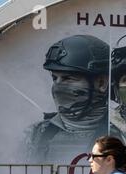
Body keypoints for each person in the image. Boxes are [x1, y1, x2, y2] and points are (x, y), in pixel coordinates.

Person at [25, 35, 110, 163]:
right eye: (55, 78)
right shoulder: (36, 134)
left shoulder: (123, 135)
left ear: (101, 83)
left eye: (68, 78)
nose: (58, 87)